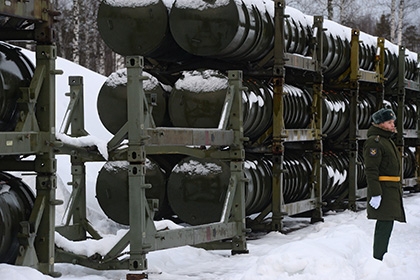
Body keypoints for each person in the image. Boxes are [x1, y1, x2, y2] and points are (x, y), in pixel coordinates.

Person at [363, 107, 406, 261]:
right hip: (384, 190)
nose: (393, 125)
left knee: (387, 223)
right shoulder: (374, 143)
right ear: (379, 124)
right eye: (389, 122)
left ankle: (381, 257)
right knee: (384, 224)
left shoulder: (386, 140)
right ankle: (378, 258)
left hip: (391, 189)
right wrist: (376, 193)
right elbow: (371, 170)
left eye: (393, 121)